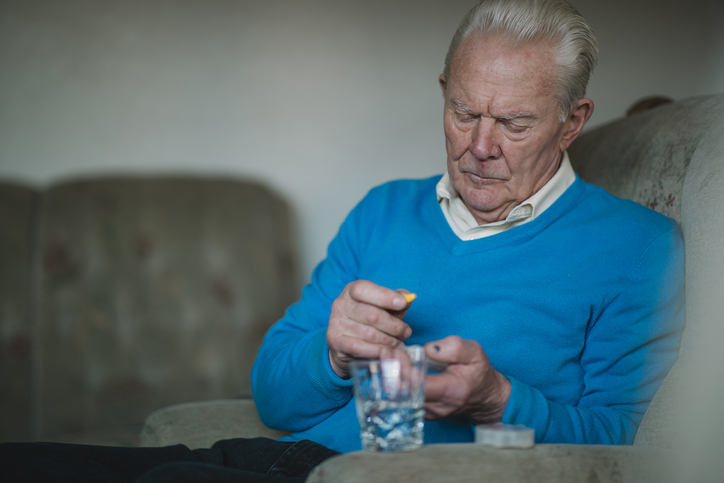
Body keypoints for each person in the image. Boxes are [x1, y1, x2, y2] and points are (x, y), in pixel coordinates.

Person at [1, 0, 684, 481]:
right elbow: (272, 393)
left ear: (572, 121)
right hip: (295, 461)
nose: (479, 146)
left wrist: (499, 398)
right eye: (463, 111)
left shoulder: (638, 247)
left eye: (512, 122)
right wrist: (329, 350)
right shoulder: (383, 210)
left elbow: (627, 446)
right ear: (443, 91)